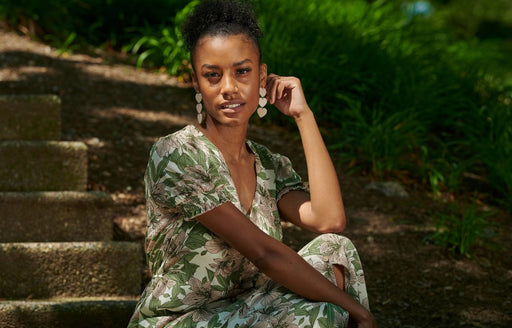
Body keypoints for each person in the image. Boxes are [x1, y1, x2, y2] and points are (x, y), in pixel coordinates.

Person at [128, 0, 377, 327]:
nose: (228, 88)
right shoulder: (177, 153)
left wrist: (304, 116)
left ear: (262, 76)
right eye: (212, 75)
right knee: (324, 312)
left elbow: (329, 219)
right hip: (180, 319)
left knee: (336, 249)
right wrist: (358, 311)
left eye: (242, 71)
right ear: (196, 81)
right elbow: (266, 254)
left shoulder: (268, 164)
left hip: (246, 310)